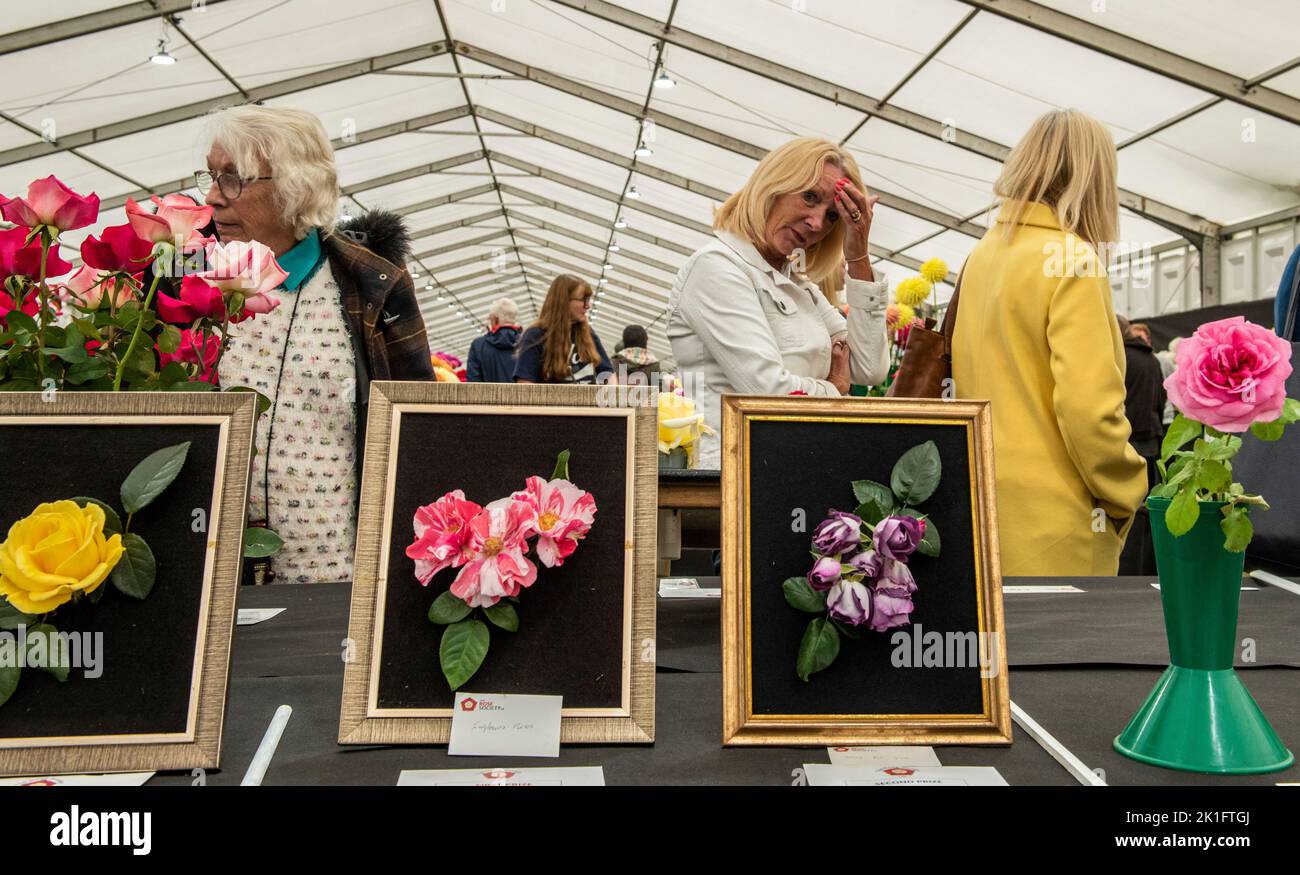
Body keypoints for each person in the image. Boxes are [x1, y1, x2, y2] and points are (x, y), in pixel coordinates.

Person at [201, 104, 434, 584]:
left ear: (294, 187)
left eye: (233, 179)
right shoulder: (180, 281)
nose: (212, 197)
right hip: (202, 570)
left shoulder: (371, 285)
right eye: (210, 175)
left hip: (334, 572)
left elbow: (419, 428)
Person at [951, 108, 1147, 576]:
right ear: (1094, 177)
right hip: (1058, 525)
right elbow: (1089, 410)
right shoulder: (1073, 260)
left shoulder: (980, 257)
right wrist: (1129, 488)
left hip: (979, 510)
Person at [667, 137, 890, 468]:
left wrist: (857, 255)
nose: (816, 223)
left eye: (832, 216)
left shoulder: (798, 284)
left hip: (793, 469)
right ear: (774, 184)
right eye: (809, 197)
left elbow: (870, 368)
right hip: (734, 479)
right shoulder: (715, 267)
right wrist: (834, 389)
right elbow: (768, 393)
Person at [513, 274, 614, 384]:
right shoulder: (535, 335)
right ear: (564, 301)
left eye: (588, 299)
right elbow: (525, 384)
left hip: (589, 401)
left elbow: (608, 374)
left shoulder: (588, 333)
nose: (588, 305)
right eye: (583, 300)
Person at [466, 297, 522, 382]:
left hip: (488, 395)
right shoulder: (528, 345)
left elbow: (473, 383)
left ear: (495, 319)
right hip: (521, 395)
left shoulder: (478, 346)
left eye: (490, 319)